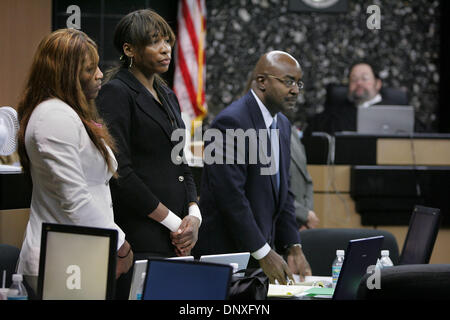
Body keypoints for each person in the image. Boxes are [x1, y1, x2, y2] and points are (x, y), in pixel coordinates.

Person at [15, 29, 133, 294]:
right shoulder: (53, 116)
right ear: (65, 74)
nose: (101, 74)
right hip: (61, 260)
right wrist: (120, 244)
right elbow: (75, 199)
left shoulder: (64, 112)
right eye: (90, 69)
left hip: (77, 255)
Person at [194, 51, 312, 284]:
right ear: (261, 82)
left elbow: (284, 191)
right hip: (227, 259)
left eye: (298, 83)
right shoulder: (231, 122)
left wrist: (293, 245)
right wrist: (263, 251)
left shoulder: (283, 125)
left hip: (260, 260)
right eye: (288, 81)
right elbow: (230, 197)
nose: (295, 90)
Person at [96, 10, 201, 262]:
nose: (166, 49)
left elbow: (181, 162)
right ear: (129, 49)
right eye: (155, 41)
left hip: (178, 237)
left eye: (167, 41)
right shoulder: (116, 93)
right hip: (140, 234)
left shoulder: (168, 95)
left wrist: (194, 217)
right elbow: (120, 172)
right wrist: (174, 222)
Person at [310, 62, 408, 134]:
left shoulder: (395, 111)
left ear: (377, 84)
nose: (359, 83)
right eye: (354, 79)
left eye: (364, 78)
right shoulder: (335, 114)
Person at [289, 123, 320, 230]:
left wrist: (308, 215)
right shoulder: (262, 130)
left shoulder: (291, 130)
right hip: (281, 223)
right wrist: (303, 214)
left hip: (302, 225)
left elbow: (307, 180)